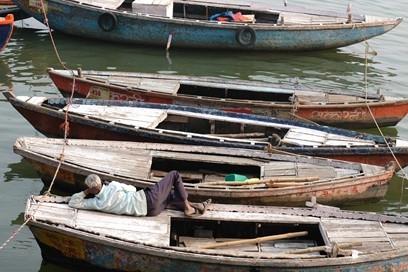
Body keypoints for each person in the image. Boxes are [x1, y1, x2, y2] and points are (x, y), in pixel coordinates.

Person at [68, 170, 211, 217]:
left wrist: (86, 192)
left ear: (92, 189)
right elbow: (132, 189)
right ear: (100, 183)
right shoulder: (113, 186)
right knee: (174, 175)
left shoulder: (97, 204)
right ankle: (187, 206)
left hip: (149, 211)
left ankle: (195, 205)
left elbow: (73, 202)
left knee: (169, 198)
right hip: (147, 198)